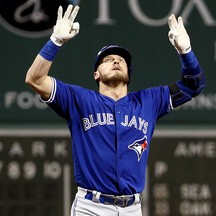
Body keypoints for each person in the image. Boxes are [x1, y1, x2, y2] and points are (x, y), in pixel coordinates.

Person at [25, 4, 205, 216]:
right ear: (96, 74)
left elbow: (194, 85)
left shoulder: (149, 101)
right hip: (91, 206)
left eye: (121, 60)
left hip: (133, 208)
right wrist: (55, 42)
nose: (116, 61)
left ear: (129, 72)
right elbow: (34, 79)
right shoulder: (79, 100)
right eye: (107, 60)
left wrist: (186, 52)